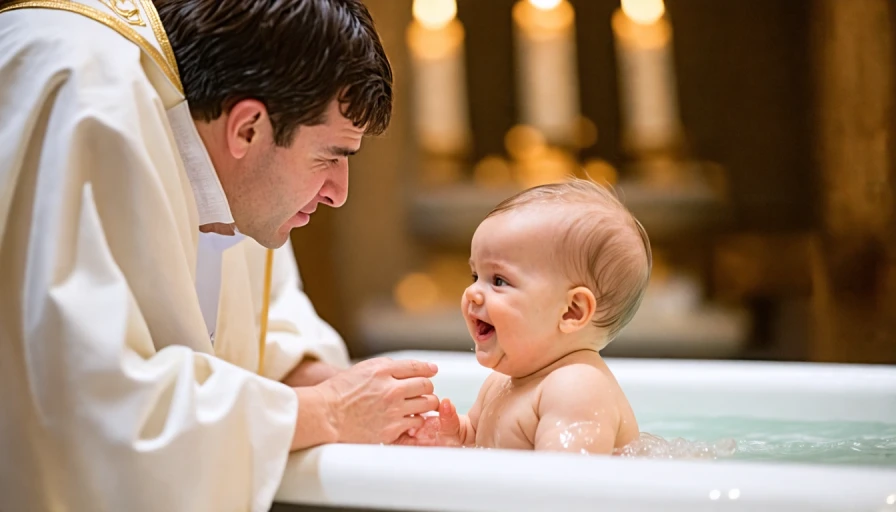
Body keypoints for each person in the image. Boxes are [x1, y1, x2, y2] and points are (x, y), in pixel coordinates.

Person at [0, 1, 439, 511]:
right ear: (247, 128)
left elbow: (260, 322)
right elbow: (82, 406)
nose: (338, 193)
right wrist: (328, 412)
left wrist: (328, 386)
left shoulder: (228, 166)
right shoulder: (84, 95)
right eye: (329, 158)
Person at [398, 179, 652, 454]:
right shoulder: (500, 383)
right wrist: (458, 436)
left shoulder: (576, 389)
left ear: (571, 311)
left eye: (498, 280)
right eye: (475, 276)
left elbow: (566, 485)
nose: (472, 292)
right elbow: (482, 442)